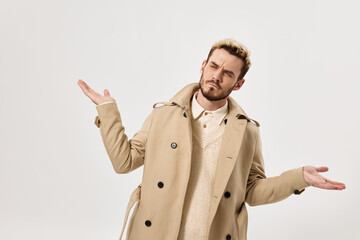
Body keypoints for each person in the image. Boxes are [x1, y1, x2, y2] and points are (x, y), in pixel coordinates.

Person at [77, 39, 346, 240]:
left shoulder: (247, 132)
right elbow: (124, 162)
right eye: (214, 66)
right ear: (203, 66)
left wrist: (299, 177)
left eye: (228, 73)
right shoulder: (163, 115)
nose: (216, 76)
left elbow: (251, 191)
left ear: (238, 83)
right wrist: (108, 112)